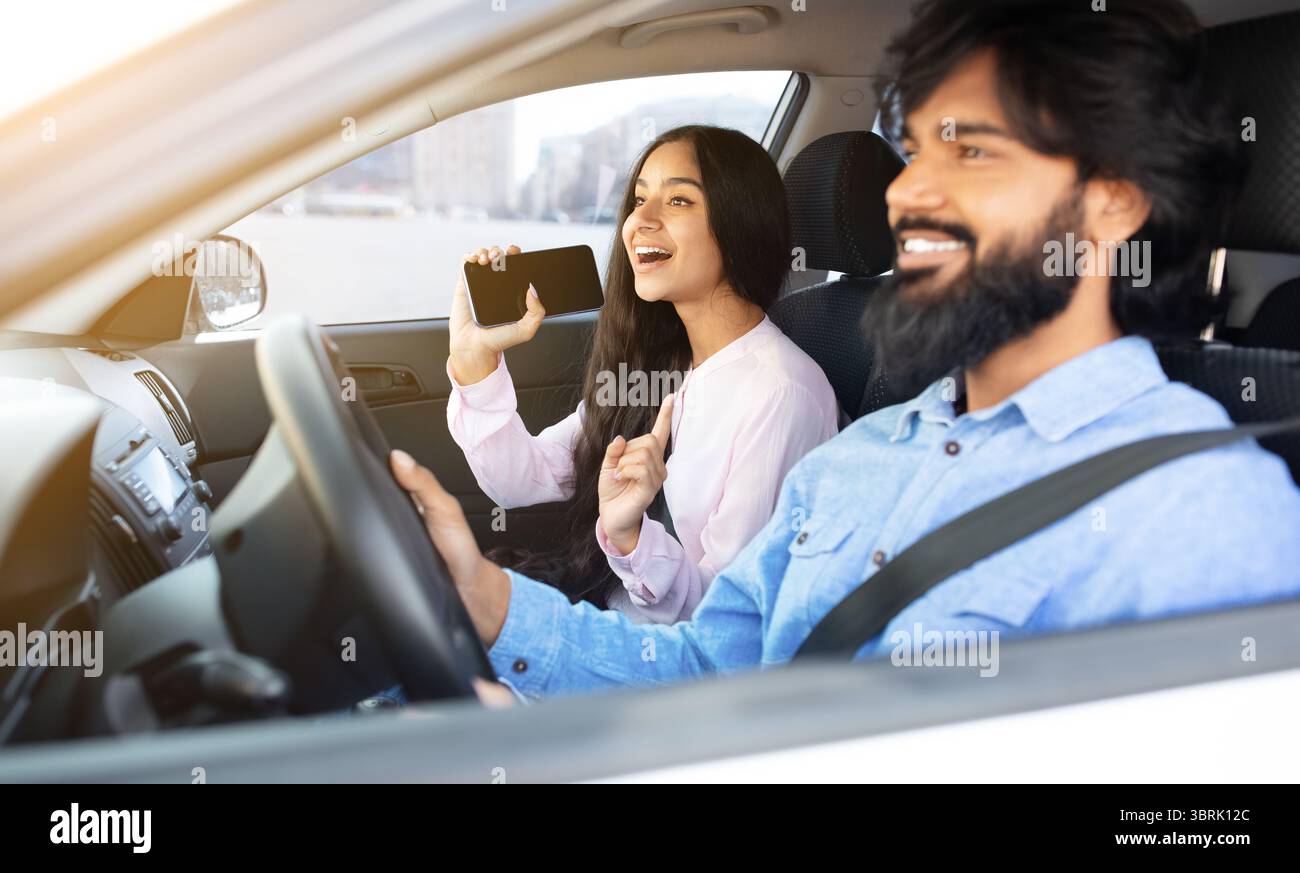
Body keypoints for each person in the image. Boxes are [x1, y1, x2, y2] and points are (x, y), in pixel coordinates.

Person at [393, 0, 1300, 698]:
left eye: (971, 152)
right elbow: (710, 668)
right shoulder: (866, 451)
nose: (907, 195)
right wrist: (488, 600)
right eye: (912, 153)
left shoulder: (1203, 511)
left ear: (1113, 203)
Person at [444, 125, 838, 623]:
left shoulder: (782, 392)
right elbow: (520, 480)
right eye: (638, 199)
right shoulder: (659, 365)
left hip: (662, 667)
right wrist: (474, 361)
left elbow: (724, 618)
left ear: (741, 223)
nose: (639, 222)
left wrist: (631, 537)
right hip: (605, 618)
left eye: (678, 201)